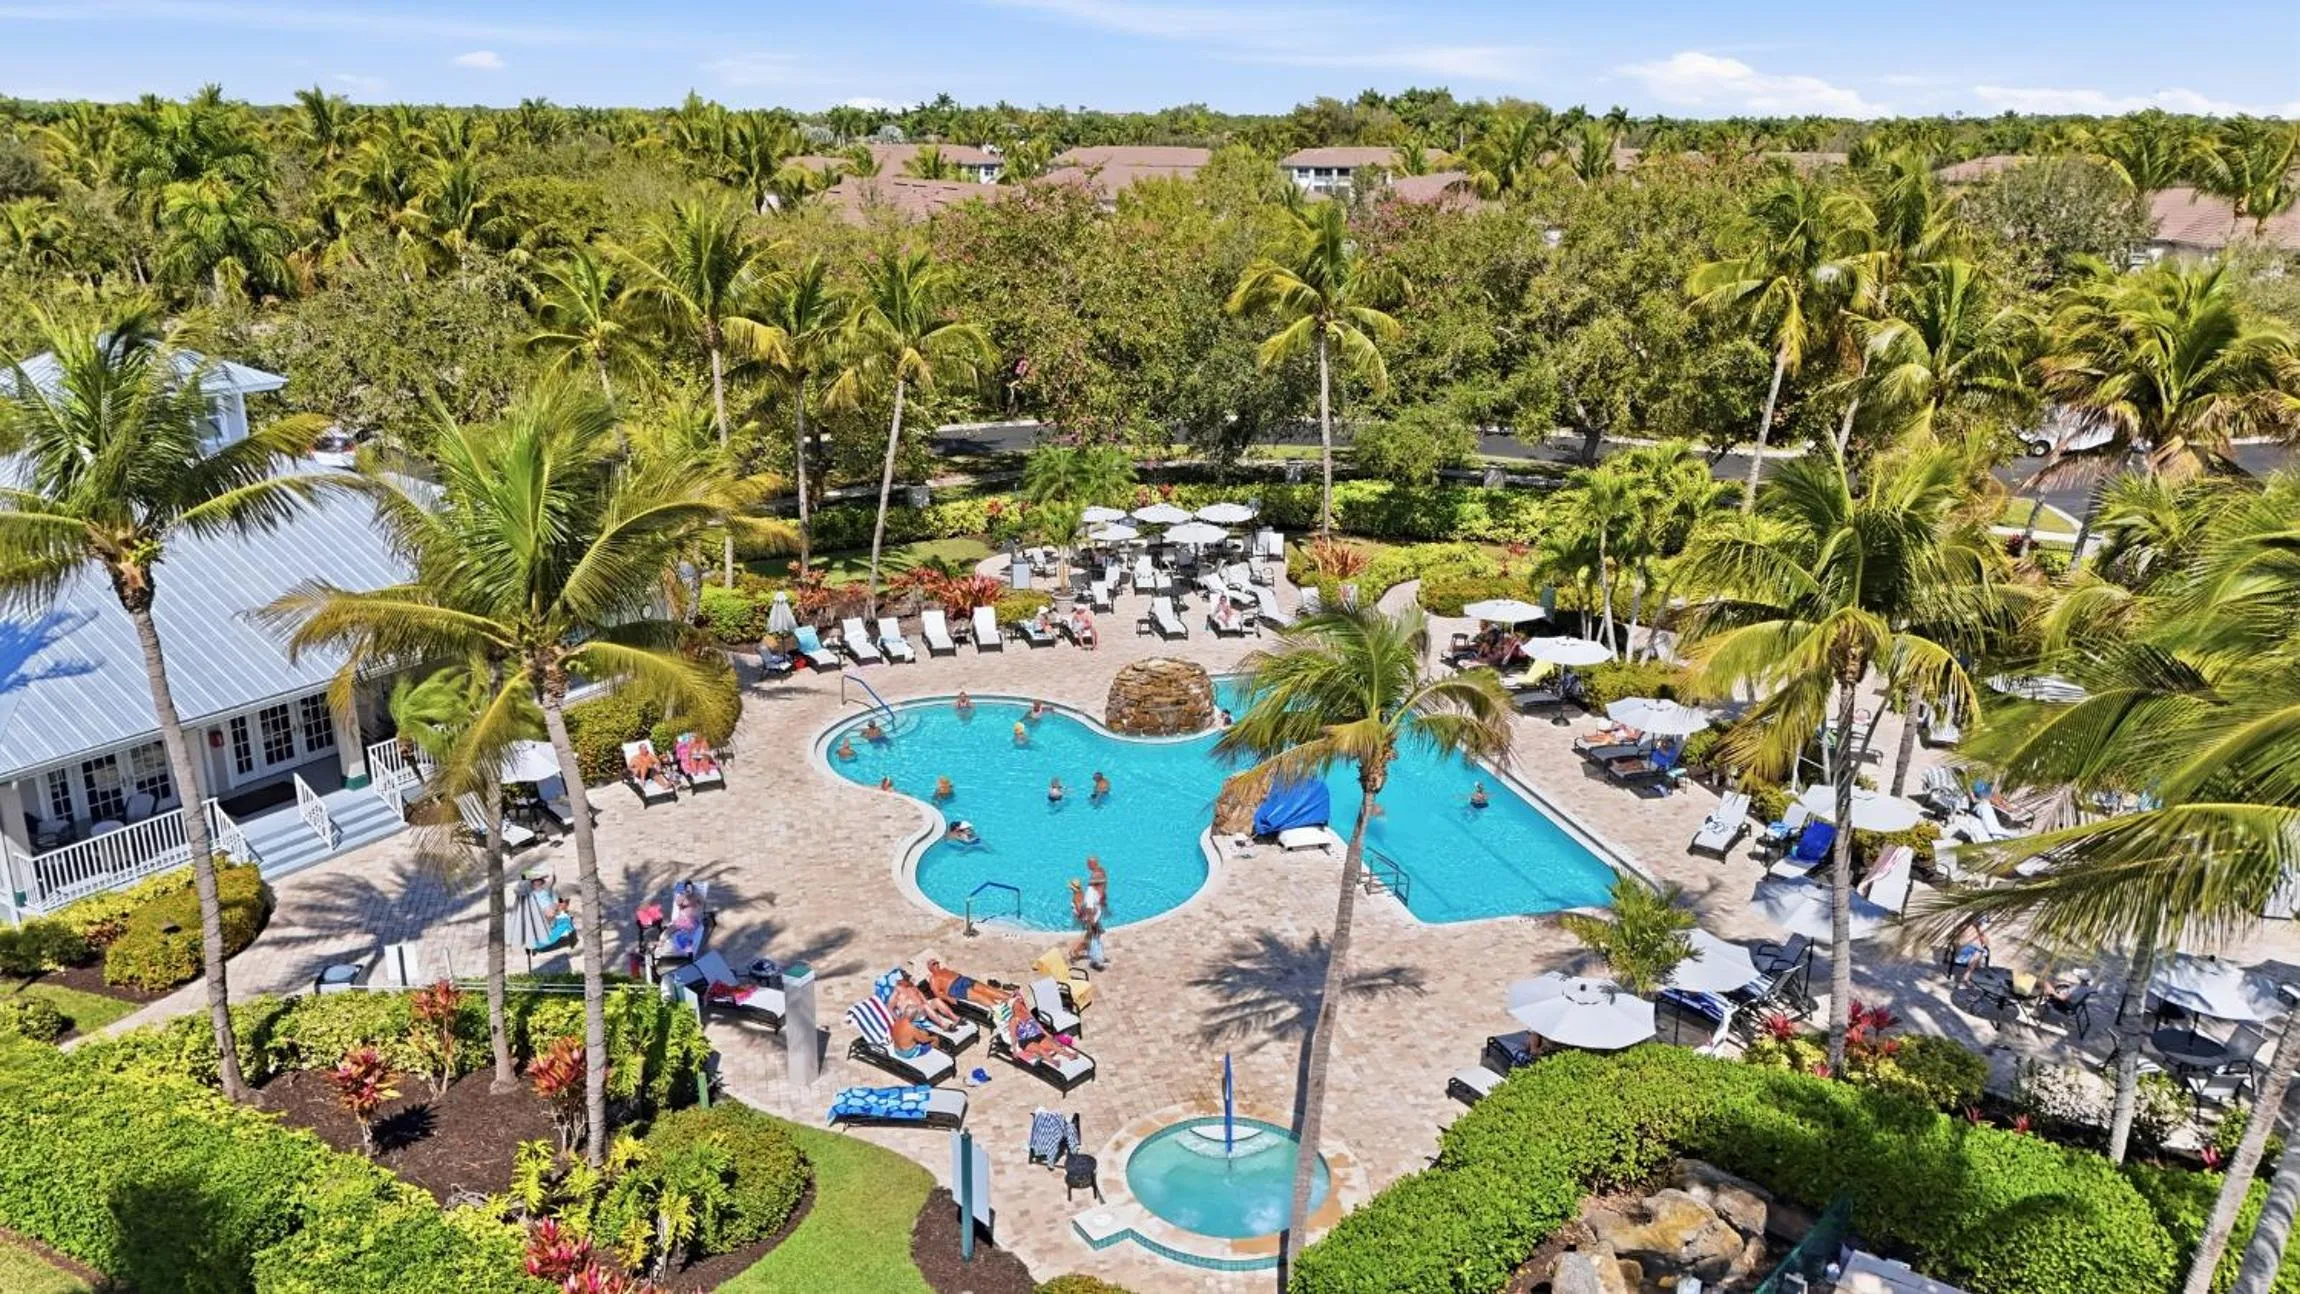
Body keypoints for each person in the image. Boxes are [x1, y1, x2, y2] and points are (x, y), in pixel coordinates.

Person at [889, 970, 965, 1030]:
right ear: (900, 980)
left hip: (922, 1009)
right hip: (911, 1014)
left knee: (936, 1000)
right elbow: (889, 1008)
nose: (908, 979)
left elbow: (920, 995)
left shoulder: (911, 985)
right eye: (905, 978)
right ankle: (944, 1025)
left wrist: (928, 1004)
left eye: (907, 977)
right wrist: (899, 1021)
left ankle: (956, 1018)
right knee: (924, 1006)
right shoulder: (896, 992)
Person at [1950, 915, 1991, 984]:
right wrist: (1980, 932)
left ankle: (1966, 977)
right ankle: (1966, 978)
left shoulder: (1972, 928)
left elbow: (1986, 943)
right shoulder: (1970, 928)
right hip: (1963, 950)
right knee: (1978, 953)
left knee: (1978, 953)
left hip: (1966, 950)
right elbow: (1985, 943)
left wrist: (1980, 932)